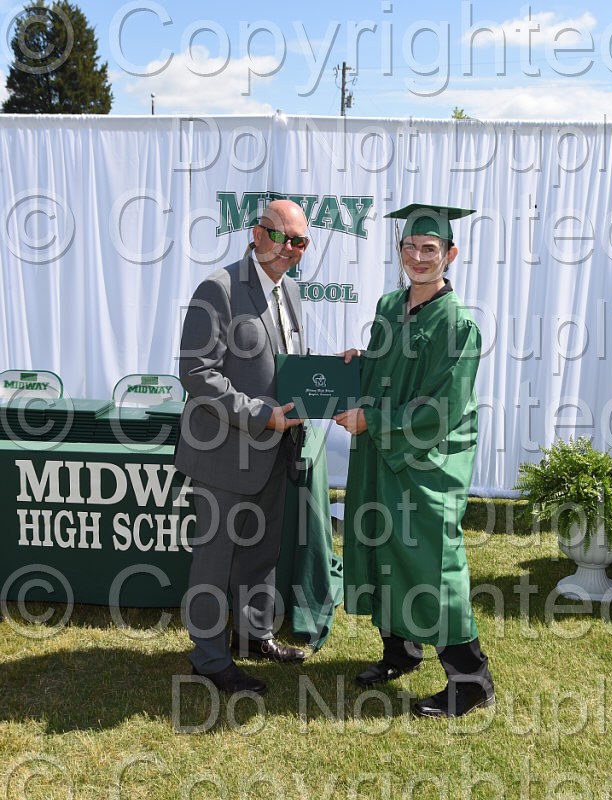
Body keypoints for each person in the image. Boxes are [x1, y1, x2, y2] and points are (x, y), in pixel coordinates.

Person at [333, 203, 495, 718]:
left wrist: (373, 421)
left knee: (429, 560)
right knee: (382, 546)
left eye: (430, 249)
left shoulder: (458, 324)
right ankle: (400, 652)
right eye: (410, 247)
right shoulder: (387, 307)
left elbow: (440, 407)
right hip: (382, 454)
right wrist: (354, 368)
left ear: (450, 254)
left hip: (428, 459)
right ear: (399, 251)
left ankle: (471, 680)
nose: (419, 257)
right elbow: (385, 376)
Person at [175, 199, 310, 696]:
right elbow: (197, 374)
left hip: (275, 451)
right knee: (215, 560)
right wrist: (260, 415)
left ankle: (255, 636)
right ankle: (209, 658)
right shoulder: (220, 288)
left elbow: (289, 363)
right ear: (256, 233)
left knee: (260, 553)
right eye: (280, 237)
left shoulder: (291, 290)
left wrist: (332, 372)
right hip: (224, 455)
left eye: (300, 242)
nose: (289, 249)